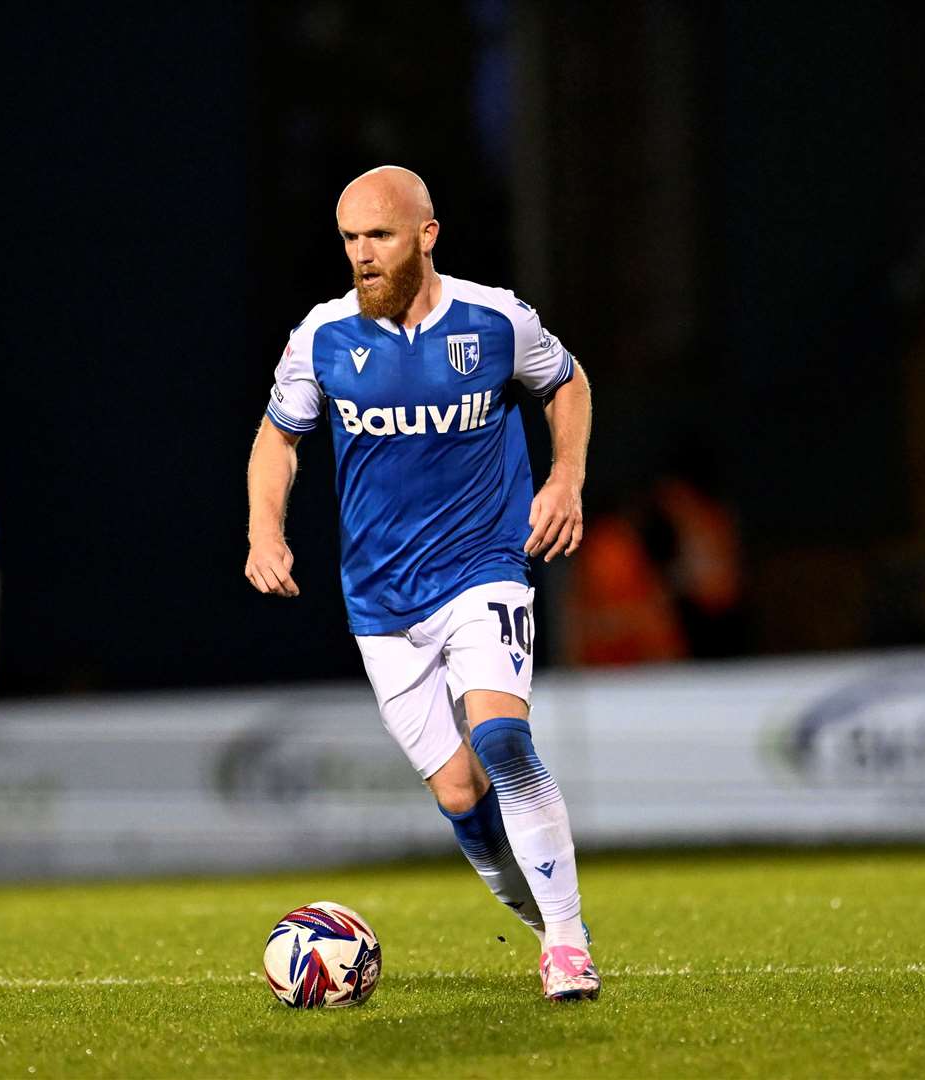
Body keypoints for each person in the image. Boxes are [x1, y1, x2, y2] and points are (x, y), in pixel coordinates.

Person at [244, 166, 599, 1000]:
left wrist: (566, 477)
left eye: (381, 237)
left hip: (483, 569)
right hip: (379, 603)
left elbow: (568, 383)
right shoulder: (322, 337)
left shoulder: (495, 319)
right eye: (350, 240)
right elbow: (277, 437)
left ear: (427, 235)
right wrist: (265, 528)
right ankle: (549, 922)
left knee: (503, 741)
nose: (363, 257)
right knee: (458, 793)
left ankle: (569, 943)